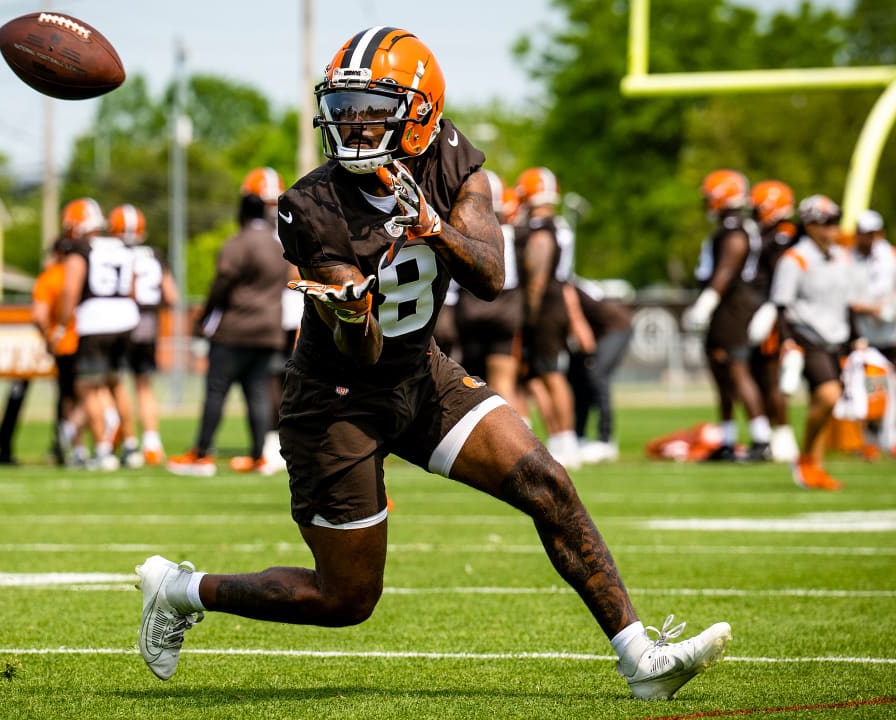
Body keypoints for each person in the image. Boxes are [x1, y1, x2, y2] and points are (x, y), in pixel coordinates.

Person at [136, 26, 731, 701]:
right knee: (346, 598)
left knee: (546, 480)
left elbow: (489, 273)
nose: (351, 126)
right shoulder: (311, 204)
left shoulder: (453, 159)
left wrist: (432, 228)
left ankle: (640, 659)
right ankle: (181, 590)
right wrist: (352, 311)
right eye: (344, 109)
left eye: (369, 110)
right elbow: (360, 348)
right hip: (337, 401)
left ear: (421, 115)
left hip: (422, 375)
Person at [166, 167, 287, 477]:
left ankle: (201, 454)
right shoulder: (279, 246)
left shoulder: (239, 242)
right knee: (258, 394)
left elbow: (221, 284)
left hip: (235, 331)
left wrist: (204, 318)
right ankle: (259, 455)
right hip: (269, 331)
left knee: (216, 392)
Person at [770, 194, 862, 491]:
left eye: (835, 220)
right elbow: (781, 305)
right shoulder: (795, 259)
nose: (833, 228)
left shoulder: (842, 257)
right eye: (827, 222)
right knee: (828, 395)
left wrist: (855, 337)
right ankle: (805, 457)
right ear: (809, 225)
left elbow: (847, 303)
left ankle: (814, 467)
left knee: (824, 405)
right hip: (806, 335)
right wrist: (786, 340)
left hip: (835, 337)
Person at [684, 170, 772, 462]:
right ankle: (728, 439)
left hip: (733, 306)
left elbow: (726, 269)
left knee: (736, 369)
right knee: (721, 372)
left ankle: (761, 439)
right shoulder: (731, 227)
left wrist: (707, 302)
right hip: (727, 305)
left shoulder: (735, 229)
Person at [55, 197, 140, 471]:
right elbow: (132, 288)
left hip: (95, 320)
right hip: (125, 319)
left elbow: (71, 288)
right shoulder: (121, 246)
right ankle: (130, 443)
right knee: (116, 383)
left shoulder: (80, 249)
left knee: (89, 387)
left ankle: (103, 448)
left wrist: (63, 322)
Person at [515, 166, 591, 468]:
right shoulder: (557, 225)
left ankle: (566, 439)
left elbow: (537, 276)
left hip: (546, 306)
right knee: (540, 376)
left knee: (550, 374)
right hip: (556, 301)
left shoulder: (542, 230)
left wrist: (529, 312)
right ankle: (560, 439)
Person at [109, 203, 178, 467]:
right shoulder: (154, 255)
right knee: (144, 384)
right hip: (149, 322)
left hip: (123, 320)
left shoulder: (116, 254)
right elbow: (171, 295)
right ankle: (152, 442)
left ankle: (129, 442)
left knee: (118, 382)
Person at [453, 169, 525, 413]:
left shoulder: (464, 230)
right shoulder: (515, 233)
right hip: (507, 307)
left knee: (472, 383)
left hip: (472, 307)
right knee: (504, 382)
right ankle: (518, 439)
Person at [850, 209, 896, 461]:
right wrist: (871, 309)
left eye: (871, 233)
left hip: (891, 334)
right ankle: (869, 440)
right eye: (863, 233)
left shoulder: (893, 256)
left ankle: (893, 436)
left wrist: (894, 304)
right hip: (863, 336)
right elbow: (846, 297)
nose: (867, 238)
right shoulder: (847, 258)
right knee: (868, 391)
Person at [748, 180, 800, 462]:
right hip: (771, 312)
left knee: (772, 378)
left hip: (778, 316)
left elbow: (783, 281)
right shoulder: (776, 235)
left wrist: (771, 309)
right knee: (765, 377)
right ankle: (775, 435)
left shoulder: (783, 237)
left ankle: (782, 436)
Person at [567, 279, 634, 464]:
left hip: (616, 327)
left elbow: (578, 323)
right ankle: (578, 436)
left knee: (596, 374)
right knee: (578, 379)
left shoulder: (564, 286)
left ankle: (606, 441)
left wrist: (587, 355)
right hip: (597, 330)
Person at [31, 238, 84, 466]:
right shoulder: (86, 272)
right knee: (91, 395)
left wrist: (48, 335)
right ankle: (84, 446)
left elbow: (38, 316)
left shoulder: (49, 277)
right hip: (88, 340)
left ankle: (67, 442)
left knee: (66, 398)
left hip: (63, 344)